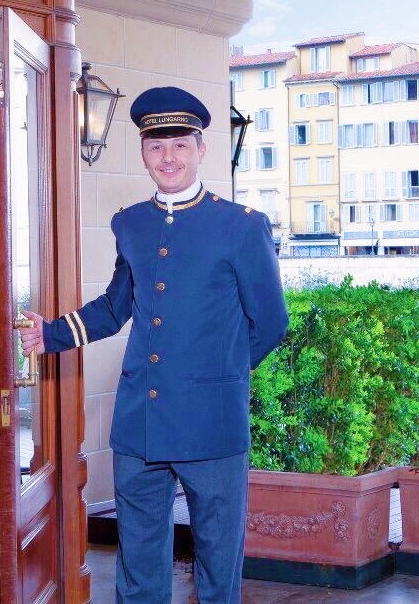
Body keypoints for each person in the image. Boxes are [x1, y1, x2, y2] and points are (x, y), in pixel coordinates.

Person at [18, 86, 288, 604]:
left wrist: (218, 378)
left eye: (180, 145)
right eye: (156, 146)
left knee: (216, 566)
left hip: (213, 425)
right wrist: (48, 333)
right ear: (143, 150)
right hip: (139, 423)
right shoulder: (132, 224)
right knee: (138, 565)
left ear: (200, 148)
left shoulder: (241, 226)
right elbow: (116, 307)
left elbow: (271, 323)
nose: (168, 157)